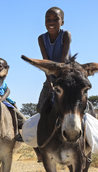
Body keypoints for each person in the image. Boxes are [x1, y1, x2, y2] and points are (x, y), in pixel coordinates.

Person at [36, 7, 71, 162]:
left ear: (62, 21)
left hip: (67, 76)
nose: (51, 22)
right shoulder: (41, 39)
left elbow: (63, 62)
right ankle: (40, 149)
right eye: (48, 19)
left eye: (55, 19)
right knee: (40, 109)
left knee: (75, 107)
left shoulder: (66, 35)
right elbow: (46, 63)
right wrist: (50, 84)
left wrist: (58, 83)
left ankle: (85, 140)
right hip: (50, 76)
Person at [0, 58, 24, 142]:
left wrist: (12, 102)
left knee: (13, 110)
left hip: (2, 100)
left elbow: (5, 93)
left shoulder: (4, 82)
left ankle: (16, 133)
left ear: (5, 69)